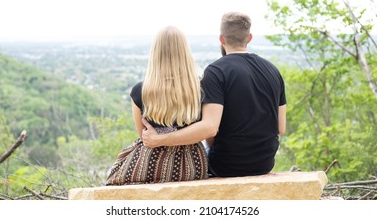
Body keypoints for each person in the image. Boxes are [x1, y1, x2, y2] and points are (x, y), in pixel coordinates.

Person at [142, 12, 286, 177]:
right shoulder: (273, 70)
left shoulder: (216, 71)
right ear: (250, 37)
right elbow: (280, 128)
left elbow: (210, 128)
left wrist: (159, 140)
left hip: (226, 165)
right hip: (264, 163)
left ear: (221, 39)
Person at [105, 26, 208, 185]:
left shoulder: (140, 91)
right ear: (185, 53)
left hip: (151, 163)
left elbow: (143, 136)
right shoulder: (200, 88)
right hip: (192, 165)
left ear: (155, 53)